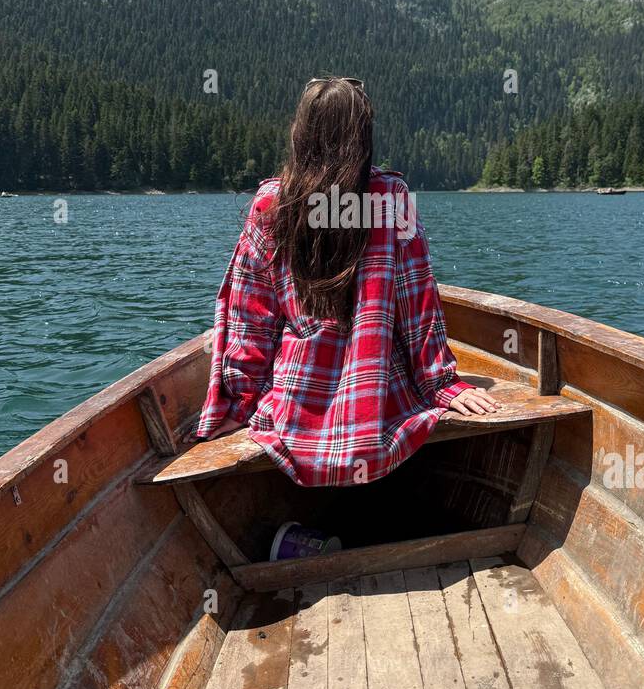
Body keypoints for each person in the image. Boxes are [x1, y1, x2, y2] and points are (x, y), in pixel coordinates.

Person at [195, 77, 500, 486]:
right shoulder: (390, 198)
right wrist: (442, 385)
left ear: (301, 133)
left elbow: (251, 319)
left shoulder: (270, 204)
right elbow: (418, 305)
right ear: (362, 136)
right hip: (378, 397)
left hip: (294, 398)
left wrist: (238, 402)